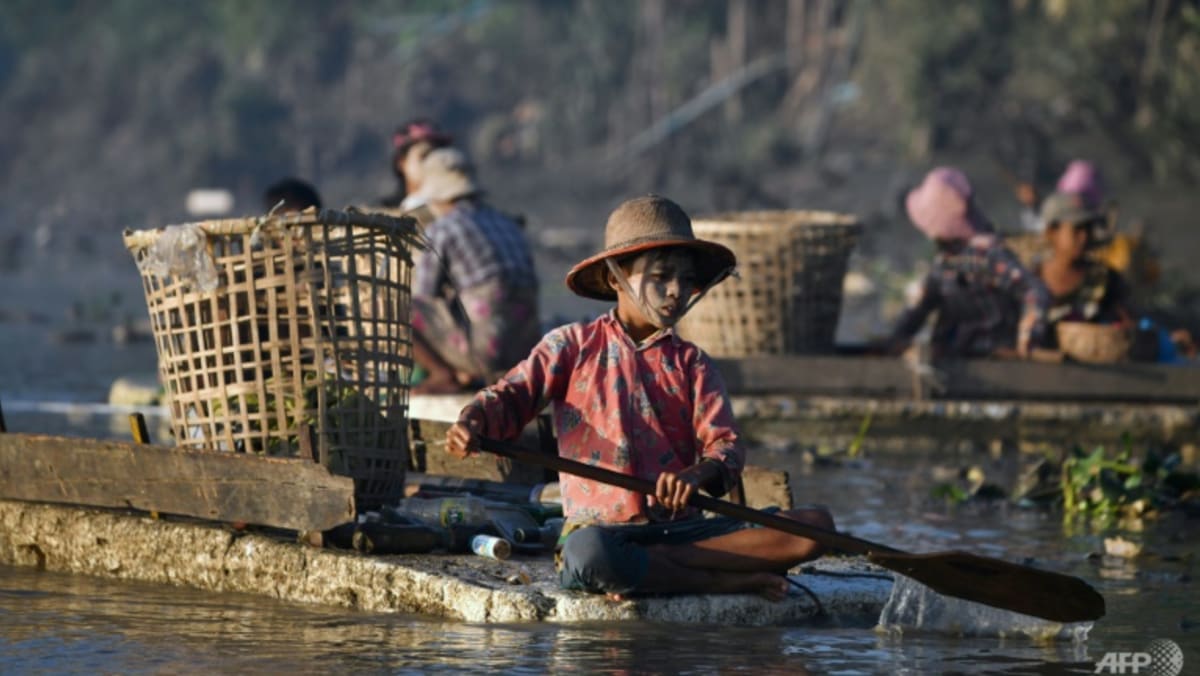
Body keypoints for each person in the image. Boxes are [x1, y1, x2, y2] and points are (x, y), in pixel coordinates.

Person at [445, 195, 834, 601]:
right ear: (617, 279)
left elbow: (727, 447)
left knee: (814, 526)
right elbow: (512, 396)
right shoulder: (571, 345)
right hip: (601, 533)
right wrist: (473, 421)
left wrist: (695, 476)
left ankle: (663, 565)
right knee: (590, 555)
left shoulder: (692, 363)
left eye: (685, 280)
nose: (675, 292)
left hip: (683, 530)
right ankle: (720, 580)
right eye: (662, 277)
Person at [409, 147, 540, 393]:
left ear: (436, 196)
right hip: (523, 354)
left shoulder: (443, 229)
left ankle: (442, 375)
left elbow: (425, 295)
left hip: (483, 354)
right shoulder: (507, 223)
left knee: (399, 308)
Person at [887, 167, 1049, 359]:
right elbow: (919, 308)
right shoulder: (946, 263)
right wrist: (898, 340)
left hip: (994, 360)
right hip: (956, 359)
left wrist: (1027, 337)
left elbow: (1033, 291)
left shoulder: (988, 257)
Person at [1034, 191, 1131, 343]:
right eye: (1077, 229)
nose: (1084, 236)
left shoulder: (1106, 280)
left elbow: (1128, 322)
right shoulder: (1030, 278)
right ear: (1052, 232)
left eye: (1088, 229)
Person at [380, 118, 453, 209]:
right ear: (401, 163)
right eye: (424, 156)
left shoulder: (463, 210)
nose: (433, 162)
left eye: (437, 155)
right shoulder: (382, 213)